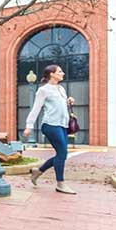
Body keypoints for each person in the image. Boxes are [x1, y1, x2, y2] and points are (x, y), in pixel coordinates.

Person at [23, 65, 76, 194]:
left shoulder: (61, 89)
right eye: (60, 71)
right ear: (52, 74)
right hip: (50, 125)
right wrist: (29, 126)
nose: (62, 73)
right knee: (62, 153)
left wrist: (68, 101)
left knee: (61, 154)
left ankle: (38, 172)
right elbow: (36, 109)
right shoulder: (43, 90)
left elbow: (59, 106)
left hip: (62, 125)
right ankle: (60, 184)